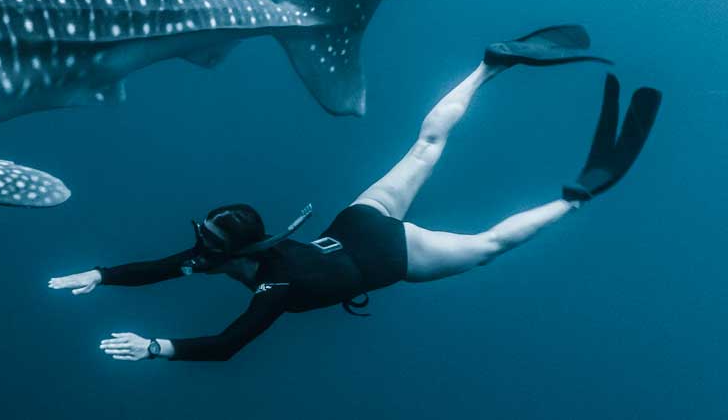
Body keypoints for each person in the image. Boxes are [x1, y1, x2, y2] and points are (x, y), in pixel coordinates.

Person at [48, 26, 661, 362]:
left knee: (489, 244)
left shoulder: (274, 288)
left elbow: (227, 346)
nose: (196, 249)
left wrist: (154, 347)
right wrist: (98, 276)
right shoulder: (224, 257)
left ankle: (576, 197)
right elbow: (156, 270)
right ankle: (490, 66)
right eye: (201, 236)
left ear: (236, 249)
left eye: (207, 242)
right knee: (425, 147)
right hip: (357, 224)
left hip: (389, 256)